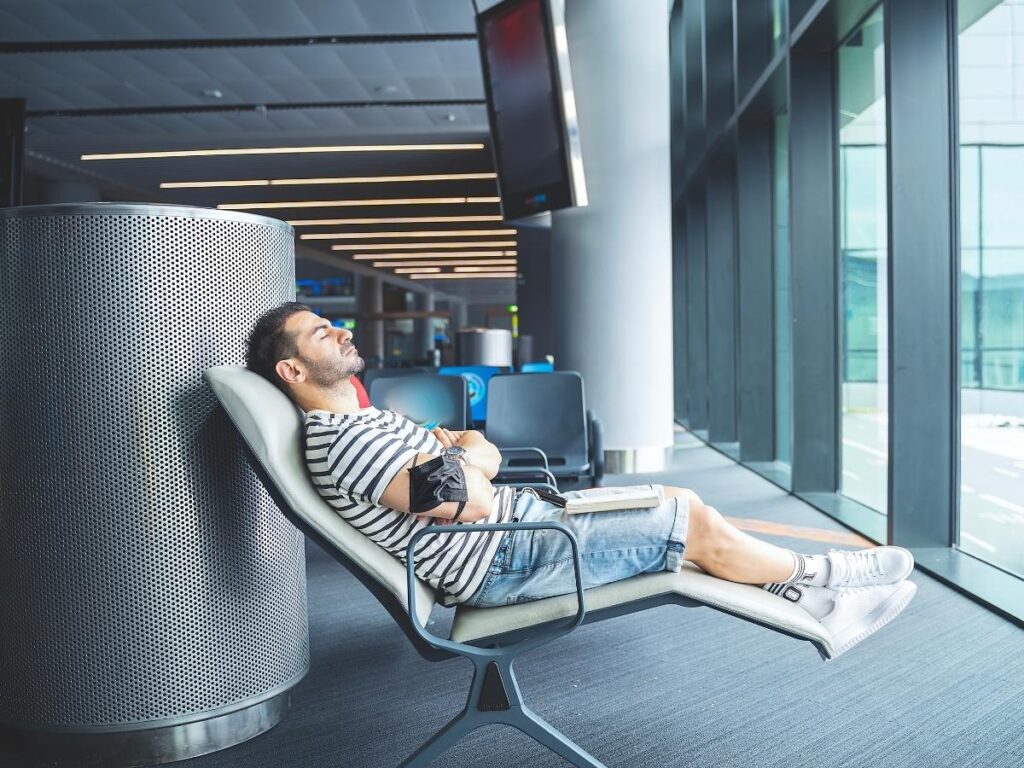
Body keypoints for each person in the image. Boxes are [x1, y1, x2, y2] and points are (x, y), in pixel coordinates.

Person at [246, 302, 916, 658]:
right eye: (318, 333)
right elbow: (471, 495)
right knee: (688, 523)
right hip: (509, 556)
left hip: (526, 528)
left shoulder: (365, 423)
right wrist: (470, 457)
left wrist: (470, 458)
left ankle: (811, 596)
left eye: (331, 324)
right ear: (293, 373)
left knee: (677, 499)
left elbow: (470, 467)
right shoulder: (348, 441)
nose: (337, 332)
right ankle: (827, 580)